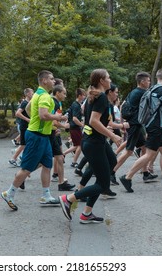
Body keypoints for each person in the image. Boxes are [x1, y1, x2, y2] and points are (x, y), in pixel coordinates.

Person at [59, 69, 122, 223]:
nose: (110, 79)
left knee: (112, 162)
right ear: (101, 80)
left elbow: (92, 119)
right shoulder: (100, 97)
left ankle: (86, 213)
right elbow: (94, 121)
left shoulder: (93, 96)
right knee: (103, 184)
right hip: (94, 142)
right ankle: (69, 199)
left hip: (94, 141)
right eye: (108, 77)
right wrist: (112, 135)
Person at [0, 70, 67, 210]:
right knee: (26, 169)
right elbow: (43, 115)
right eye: (52, 79)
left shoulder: (38, 93)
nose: (54, 81)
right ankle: (9, 193)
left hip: (42, 135)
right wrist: (59, 118)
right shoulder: (44, 96)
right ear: (44, 81)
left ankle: (46, 195)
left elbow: (30, 108)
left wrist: (37, 121)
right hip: (37, 135)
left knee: (47, 165)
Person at [119, 68, 162, 192]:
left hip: (151, 124)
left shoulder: (152, 88)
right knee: (149, 154)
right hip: (156, 126)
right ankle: (127, 177)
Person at [112, 72, 155, 184]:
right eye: (148, 80)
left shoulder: (133, 92)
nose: (149, 82)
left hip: (135, 124)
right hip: (135, 125)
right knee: (128, 151)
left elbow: (123, 106)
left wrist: (123, 122)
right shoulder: (143, 92)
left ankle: (145, 173)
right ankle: (111, 172)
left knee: (144, 147)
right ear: (142, 82)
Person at [50, 84, 75, 191]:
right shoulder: (53, 102)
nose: (65, 95)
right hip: (49, 134)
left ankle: (61, 183)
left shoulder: (58, 103)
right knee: (43, 160)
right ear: (57, 93)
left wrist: (59, 124)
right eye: (64, 93)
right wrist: (63, 125)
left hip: (53, 132)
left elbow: (55, 119)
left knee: (59, 158)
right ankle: (22, 175)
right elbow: (53, 120)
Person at [9, 88, 33, 167]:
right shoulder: (24, 103)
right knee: (23, 144)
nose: (33, 94)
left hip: (28, 126)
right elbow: (17, 113)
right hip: (24, 126)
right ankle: (13, 159)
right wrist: (27, 119)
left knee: (26, 144)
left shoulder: (29, 102)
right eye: (31, 93)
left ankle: (20, 157)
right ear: (27, 94)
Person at [62, 88, 86, 168]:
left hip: (74, 127)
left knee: (77, 145)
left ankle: (64, 154)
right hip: (75, 127)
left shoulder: (77, 104)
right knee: (79, 145)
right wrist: (82, 125)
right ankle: (74, 162)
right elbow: (74, 118)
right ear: (79, 96)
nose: (84, 97)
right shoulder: (76, 105)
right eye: (83, 95)